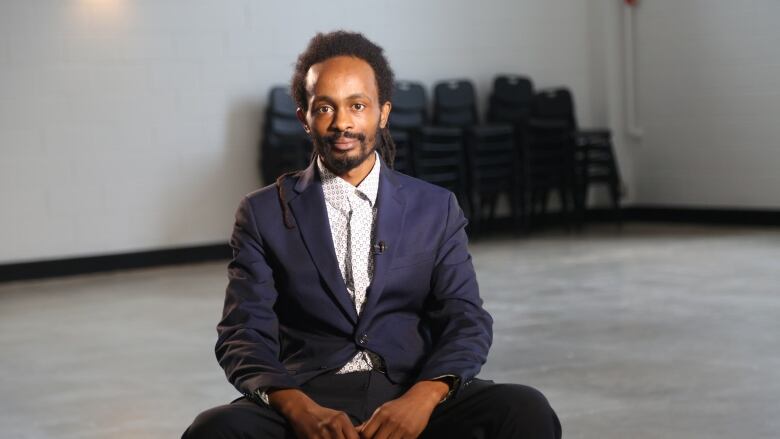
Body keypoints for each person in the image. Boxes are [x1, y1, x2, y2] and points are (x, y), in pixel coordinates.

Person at [183, 30, 562, 439]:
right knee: (214, 430)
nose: (342, 122)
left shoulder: (435, 207)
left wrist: (423, 397)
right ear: (304, 118)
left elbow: (466, 319)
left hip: (412, 389)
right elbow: (243, 333)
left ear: (382, 113)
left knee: (525, 409)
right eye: (325, 107)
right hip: (309, 394)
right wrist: (299, 409)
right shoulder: (262, 212)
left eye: (357, 106)